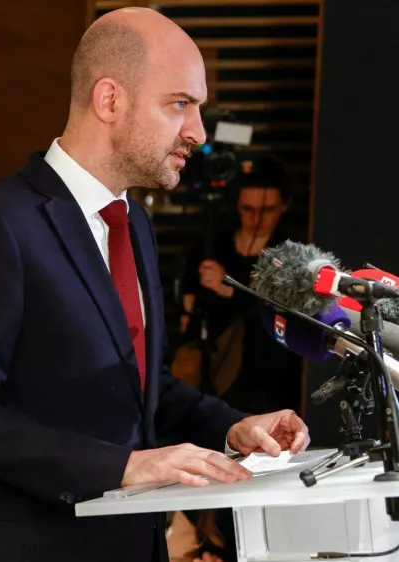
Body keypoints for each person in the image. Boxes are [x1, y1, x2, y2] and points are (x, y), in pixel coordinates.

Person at [0, 8, 310, 562]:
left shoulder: (135, 224)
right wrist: (123, 466)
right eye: (180, 104)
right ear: (109, 100)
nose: (198, 132)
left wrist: (234, 428)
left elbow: (143, 387)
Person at [172, 156, 302, 562]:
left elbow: (286, 312)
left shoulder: (290, 253)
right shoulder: (215, 242)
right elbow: (188, 306)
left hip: (270, 377)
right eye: (248, 209)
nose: (256, 218)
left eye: (267, 210)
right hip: (216, 373)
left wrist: (230, 291)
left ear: (284, 206)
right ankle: (207, 542)